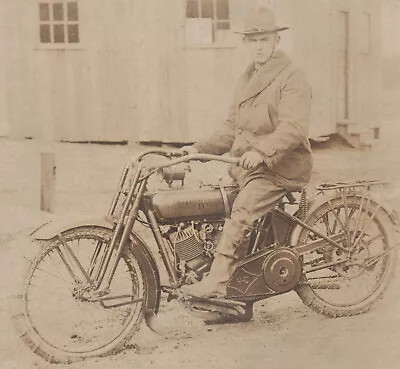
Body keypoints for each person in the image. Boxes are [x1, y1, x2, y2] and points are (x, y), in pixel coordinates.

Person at [180, 6, 313, 317]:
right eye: (252, 39)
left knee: (240, 213)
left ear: (276, 39)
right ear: (245, 42)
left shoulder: (292, 77)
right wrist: (196, 148)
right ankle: (236, 302)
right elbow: (231, 127)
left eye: (264, 39)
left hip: (280, 168)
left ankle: (217, 284)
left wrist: (263, 152)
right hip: (248, 168)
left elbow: (293, 128)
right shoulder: (247, 78)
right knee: (213, 209)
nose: (258, 45)